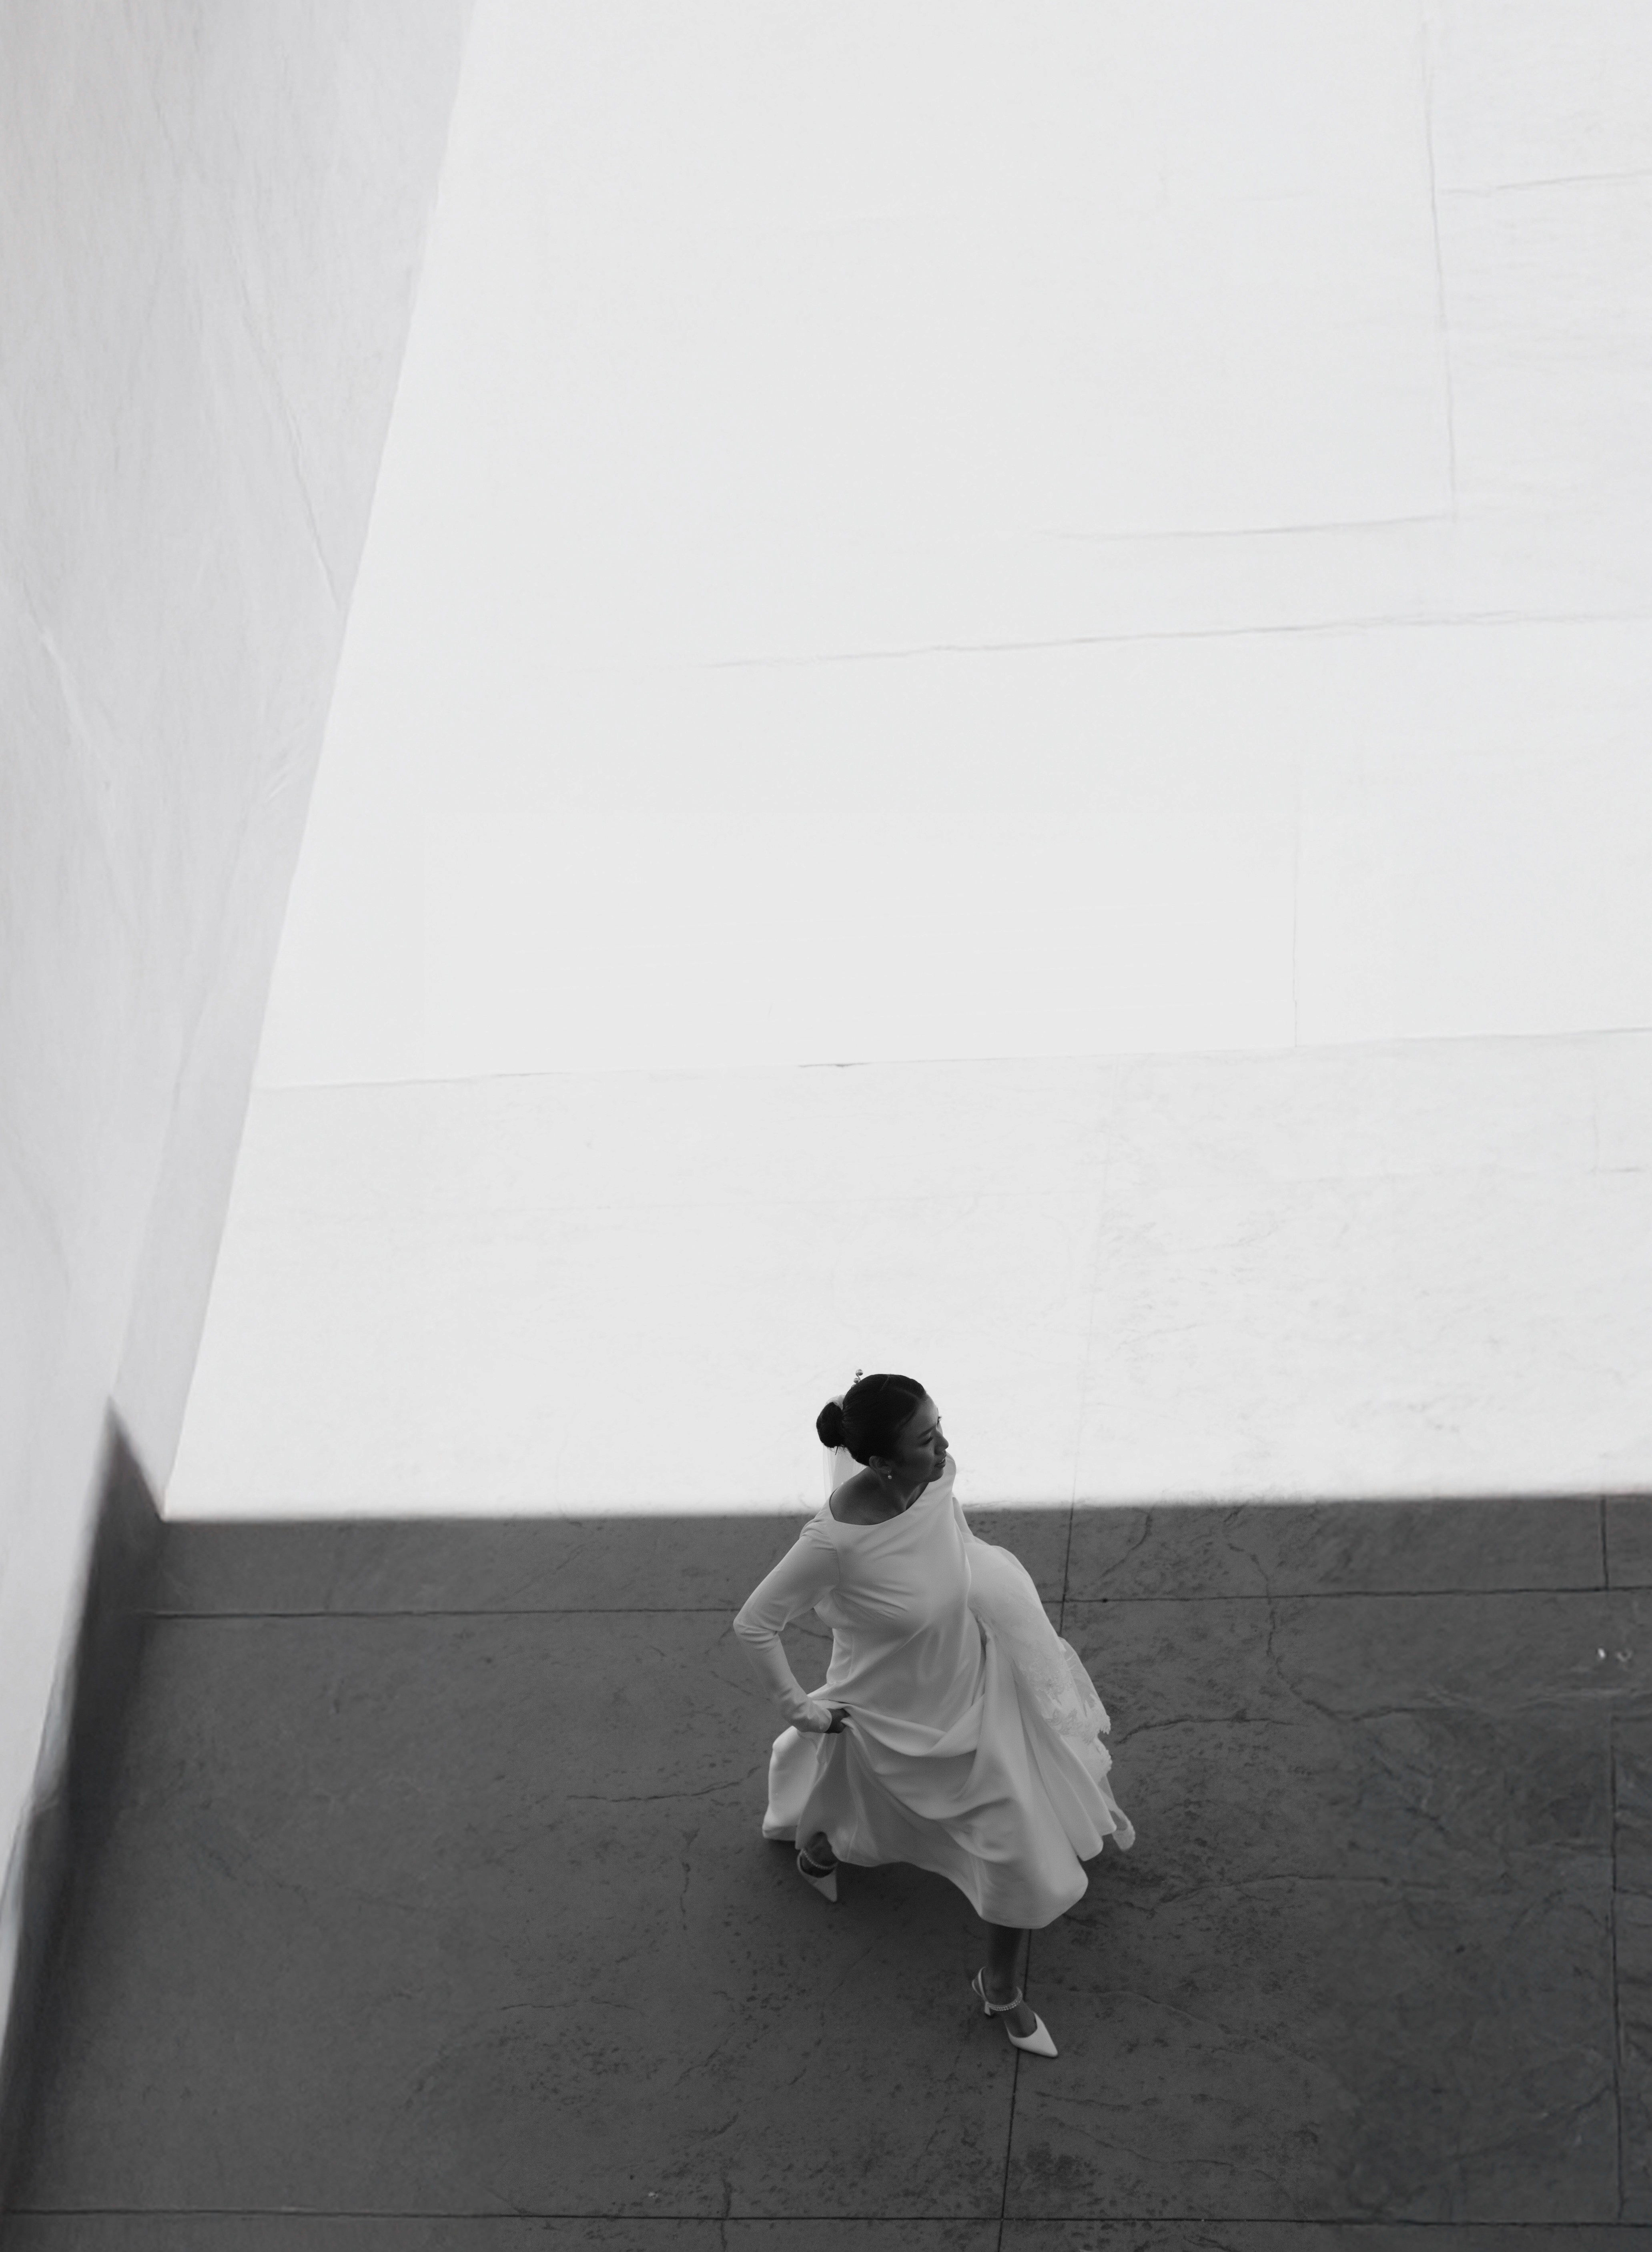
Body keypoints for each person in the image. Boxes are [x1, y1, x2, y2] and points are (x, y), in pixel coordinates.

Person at [732, 1371, 1134, 2057]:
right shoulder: (833, 1541)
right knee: (870, 1816)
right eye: (926, 1438)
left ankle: (998, 1988)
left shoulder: (935, 1476)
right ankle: (815, 1848)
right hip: (886, 1719)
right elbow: (753, 1624)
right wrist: (803, 1712)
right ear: (882, 1461)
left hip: (978, 1694)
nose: (945, 1445)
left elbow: (955, 1546)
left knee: (1014, 1845)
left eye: (940, 1425)